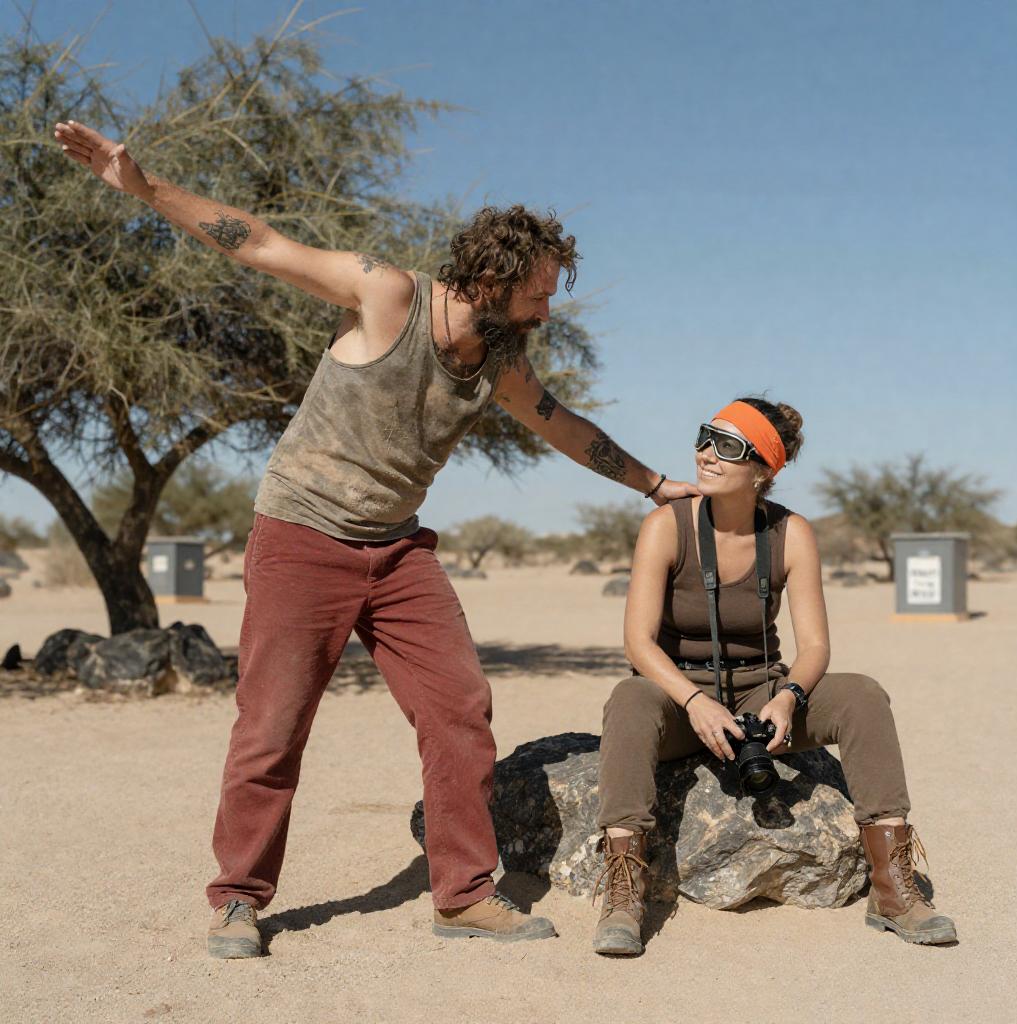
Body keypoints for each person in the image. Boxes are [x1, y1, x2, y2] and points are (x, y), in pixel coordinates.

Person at [54, 119, 698, 957]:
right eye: (538, 294)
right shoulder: (387, 295)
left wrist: (655, 485)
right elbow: (260, 243)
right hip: (301, 534)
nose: (548, 310)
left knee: (459, 707)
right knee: (272, 725)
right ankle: (239, 898)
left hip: (396, 551)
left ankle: (462, 895)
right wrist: (144, 188)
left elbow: (563, 426)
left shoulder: (500, 362)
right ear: (494, 279)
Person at [592, 397, 957, 956]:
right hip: (678, 694)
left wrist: (788, 697)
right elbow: (637, 644)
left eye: (727, 446)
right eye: (704, 437)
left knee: (863, 694)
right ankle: (623, 896)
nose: (706, 454)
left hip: (761, 689)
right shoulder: (666, 526)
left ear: (763, 469)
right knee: (628, 699)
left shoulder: (791, 532)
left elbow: (816, 646)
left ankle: (893, 891)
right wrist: (693, 702)